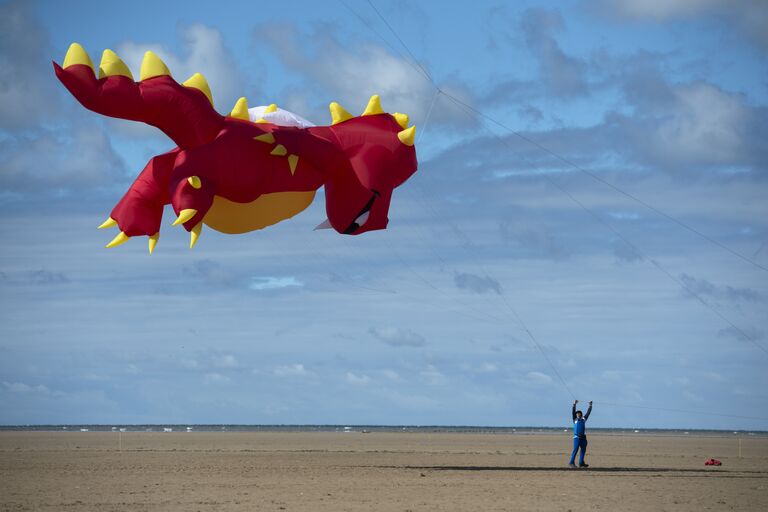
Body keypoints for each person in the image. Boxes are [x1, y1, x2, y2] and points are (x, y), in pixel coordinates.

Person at [568, 399, 592, 468]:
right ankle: (571, 463)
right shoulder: (575, 419)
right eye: (577, 413)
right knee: (575, 450)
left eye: (579, 413)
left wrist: (590, 405)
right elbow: (573, 412)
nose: (578, 414)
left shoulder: (584, 419)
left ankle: (581, 463)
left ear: (581, 414)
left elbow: (588, 413)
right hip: (577, 438)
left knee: (583, 451)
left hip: (583, 438)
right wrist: (574, 404)